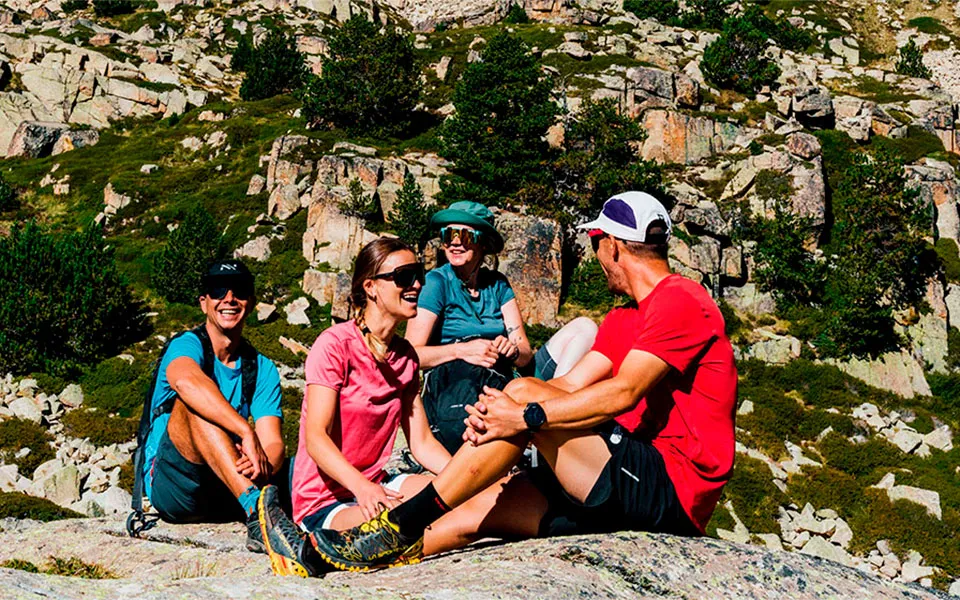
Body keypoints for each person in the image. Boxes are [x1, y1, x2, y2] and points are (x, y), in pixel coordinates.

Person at [298, 191, 739, 572]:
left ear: (616, 247)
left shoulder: (681, 300)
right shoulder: (626, 317)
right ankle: (344, 554)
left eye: (596, 243)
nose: (595, 254)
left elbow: (622, 392)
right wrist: (498, 411)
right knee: (477, 512)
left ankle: (403, 521)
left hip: (670, 489)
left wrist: (526, 416)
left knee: (525, 392)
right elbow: (570, 386)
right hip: (617, 479)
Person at [257, 237, 453, 576]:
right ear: (371, 287)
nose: (417, 284)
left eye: (418, 274)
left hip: (378, 482)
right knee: (409, 528)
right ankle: (304, 550)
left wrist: (464, 478)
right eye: (404, 276)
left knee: (453, 504)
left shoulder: (405, 356)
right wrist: (361, 488)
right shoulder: (335, 346)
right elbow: (316, 438)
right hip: (325, 500)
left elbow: (421, 443)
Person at [408, 200, 598, 452]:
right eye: (447, 235)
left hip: (508, 377)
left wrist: (512, 350)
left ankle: (553, 408)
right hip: (460, 385)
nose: (454, 242)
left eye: (463, 234)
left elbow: (525, 354)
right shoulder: (436, 282)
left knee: (585, 327)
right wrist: (462, 350)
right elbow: (409, 354)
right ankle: (551, 422)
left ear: (483, 242)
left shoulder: (498, 284)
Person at [142, 259, 284, 553]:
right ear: (204, 303)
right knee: (193, 403)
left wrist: (260, 464)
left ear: (251, 302)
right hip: (177, 488)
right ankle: (257, 510)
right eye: (219, 290)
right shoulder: (187, 346)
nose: (229, 298)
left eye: (240, 290)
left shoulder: (262, 368)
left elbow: (274, 442)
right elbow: (185, 381)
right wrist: (245, 430)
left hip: (227, 486)